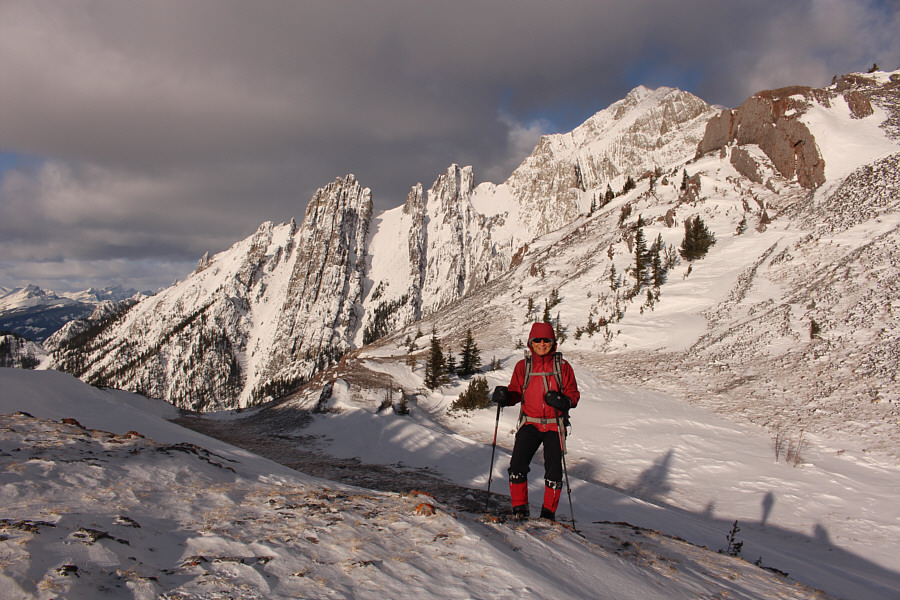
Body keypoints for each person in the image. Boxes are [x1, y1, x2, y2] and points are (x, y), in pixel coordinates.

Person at [492, 322, 580, 520]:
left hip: (555, 425)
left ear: (553, 342)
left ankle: (547, 515)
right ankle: (520, 510)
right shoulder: (523, 366)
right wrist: (506, 397)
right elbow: (516, 391)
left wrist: (564, 401)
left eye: (546, 340)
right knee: (517, 467)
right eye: (537, 340)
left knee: (554, 472)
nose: (541, 344)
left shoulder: (563, 367)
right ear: (530, 342)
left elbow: (573, 395)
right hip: (530, 423)